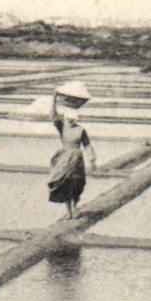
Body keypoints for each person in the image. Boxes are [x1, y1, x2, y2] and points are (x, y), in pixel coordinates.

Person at [46, 82, 97, 220]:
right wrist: (54, 98)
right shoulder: (62, 127)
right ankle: (69, 212)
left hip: (77, 159)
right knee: (64, 184)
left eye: (71, 119)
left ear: (75, 119)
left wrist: (92, 159)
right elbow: (53, 116)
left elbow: (87, 145)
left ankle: (74, 209)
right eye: (67, 118)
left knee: (76, 184)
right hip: (64, 158)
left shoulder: (81, 130)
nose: (69, 121)